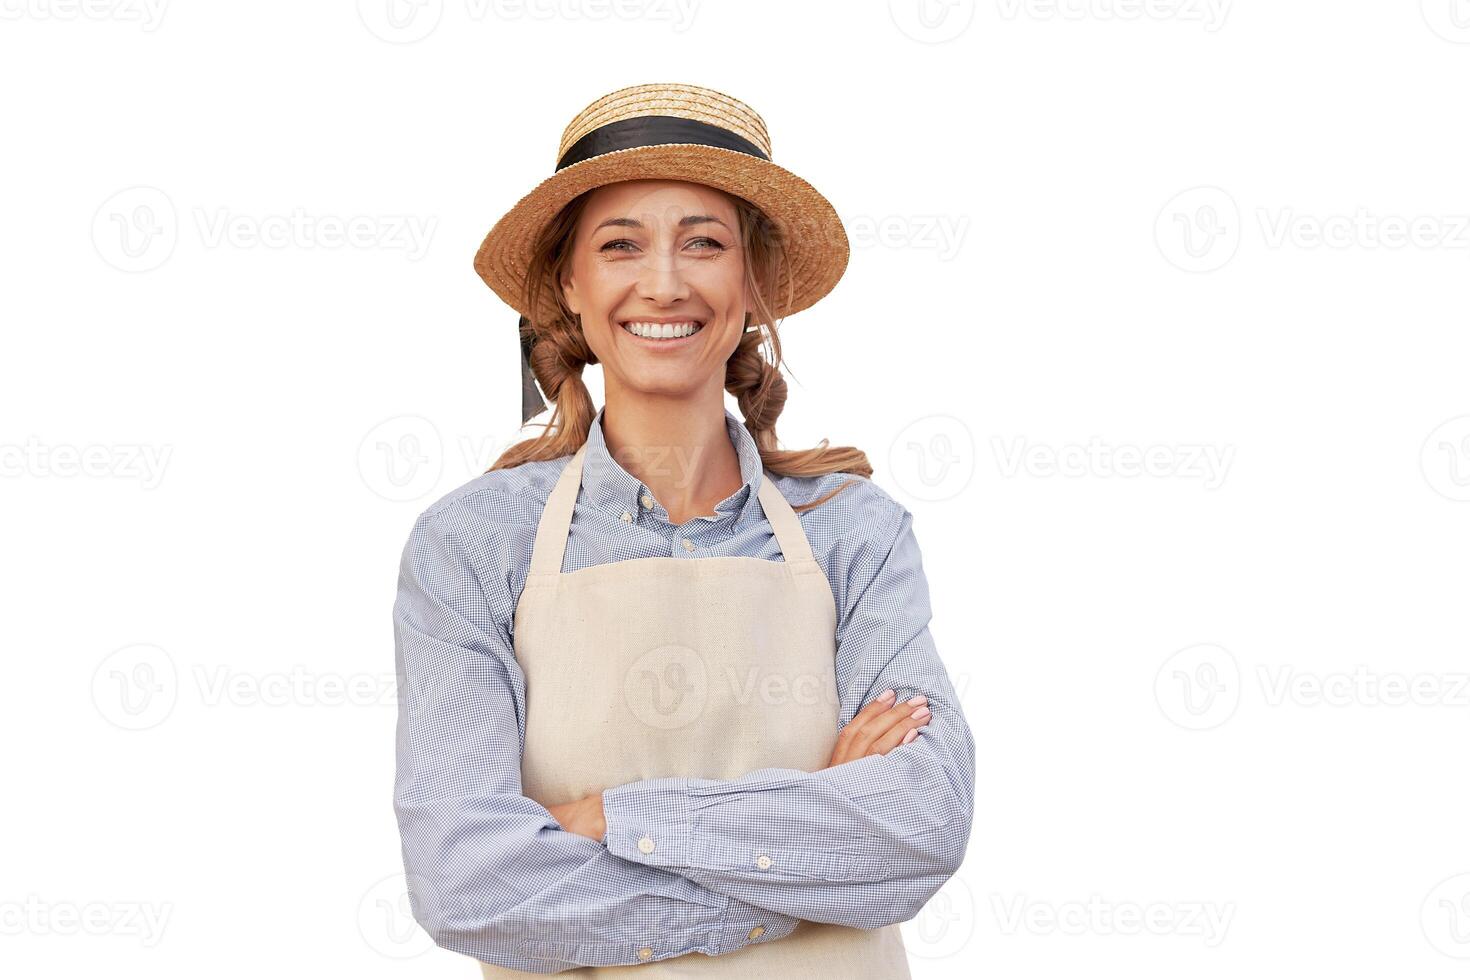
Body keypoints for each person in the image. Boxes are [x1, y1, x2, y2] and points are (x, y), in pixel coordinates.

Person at [392, 82, 975, 977]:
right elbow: (467, 880)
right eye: (620, 245)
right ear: (569, 283)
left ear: (753, 282)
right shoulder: (471, 544)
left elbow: (920, 824)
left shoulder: (856, 533)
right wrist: (811, 837)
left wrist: (620, 819)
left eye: (704, 242)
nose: (663, 282)